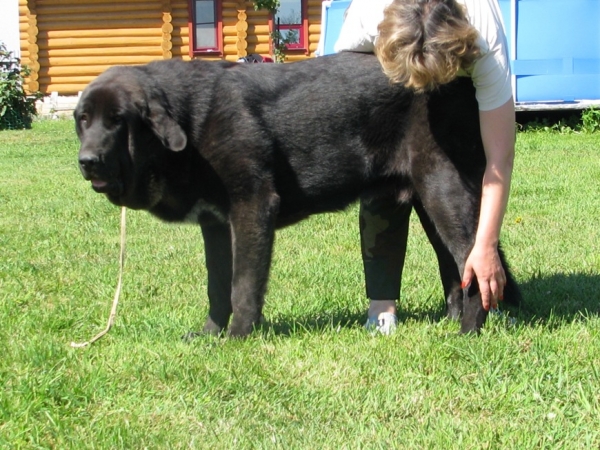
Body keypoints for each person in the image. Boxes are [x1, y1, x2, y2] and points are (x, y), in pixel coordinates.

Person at [334, 0, 515, 334]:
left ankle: (473, 294)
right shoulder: (366, 16)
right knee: (381, 177)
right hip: (381, 69)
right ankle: (381, 307)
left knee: (453, 182)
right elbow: (342, 87)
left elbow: (499, 159)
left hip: (457, 76)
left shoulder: (483, 35)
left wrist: (487, 243)